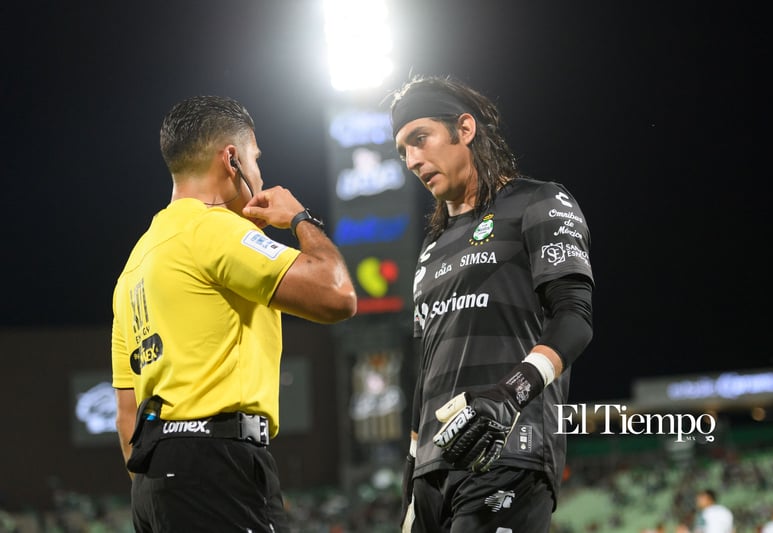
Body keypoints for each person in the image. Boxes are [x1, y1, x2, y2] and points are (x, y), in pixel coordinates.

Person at [111, 95, 357, 532]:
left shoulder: (134, 265)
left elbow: (126, 415)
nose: (260, 173)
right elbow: (338, 295)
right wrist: (299, 218)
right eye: (255, 158)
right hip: (218, 467)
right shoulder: (215, 230)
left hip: (152, 484)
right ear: (232, 159)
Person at [389, 74, 594, 532]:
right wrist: (410, 489)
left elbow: (575, 318)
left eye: (420, 139)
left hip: (510, 452)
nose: (412, 160)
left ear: (464, 129)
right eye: (403, 151)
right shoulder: (430, 250)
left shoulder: (539, 201)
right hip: (431, 476)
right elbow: (425, 376)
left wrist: (509, 394)